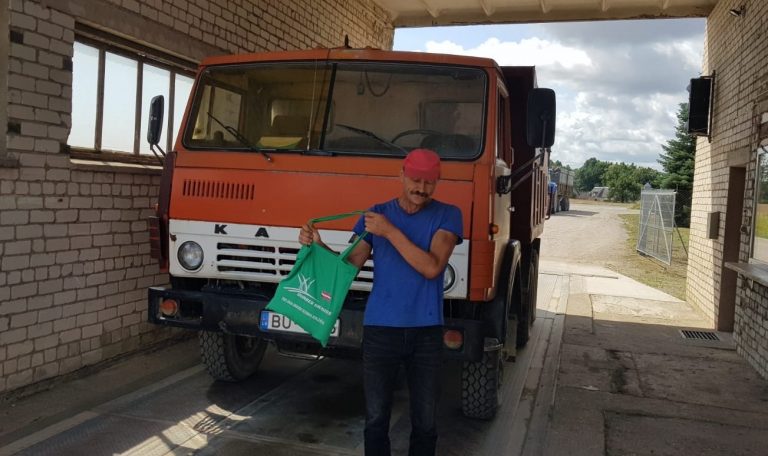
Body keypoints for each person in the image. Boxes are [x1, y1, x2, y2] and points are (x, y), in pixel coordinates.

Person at [298, 148, 463, 456]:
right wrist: (318, 245)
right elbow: (348, 267)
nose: (421, 189)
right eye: (415, 180)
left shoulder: (448, 215)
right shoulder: (375, 214)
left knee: (425, 422)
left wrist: (389, 231)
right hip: (380, 330)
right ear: (401, 175)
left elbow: (431, 267)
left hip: (426, 332)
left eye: (429, 182)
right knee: (375, 420)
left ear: (437, 181)